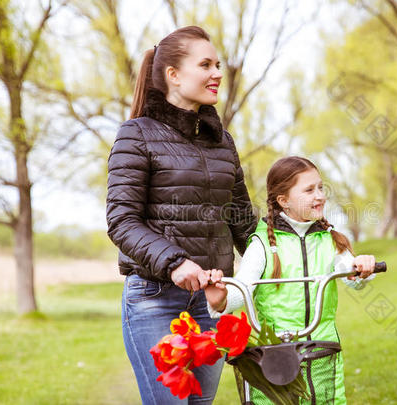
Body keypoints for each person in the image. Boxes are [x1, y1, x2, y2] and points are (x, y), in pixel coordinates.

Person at [106, 26, 257, 405]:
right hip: (154, 299)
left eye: (218, 65)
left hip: (212, 301)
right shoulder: (136, 134)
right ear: (173, 75)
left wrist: (301, 243)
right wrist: (174, 262)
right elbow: (121, 220)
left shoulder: (222, 142)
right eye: (205, 64)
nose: (217, 73)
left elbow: (243, 222)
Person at [205, 156, 378, 405]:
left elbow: (350, 273)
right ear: (283, 201)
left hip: (321, 348)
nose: (318, 195)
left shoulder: (330, 239)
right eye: (308, 190)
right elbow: (242, 287)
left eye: (320, 187)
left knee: (324, 399)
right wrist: (221, 299)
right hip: (275, 353)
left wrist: (361, 268)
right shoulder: (262, 244)